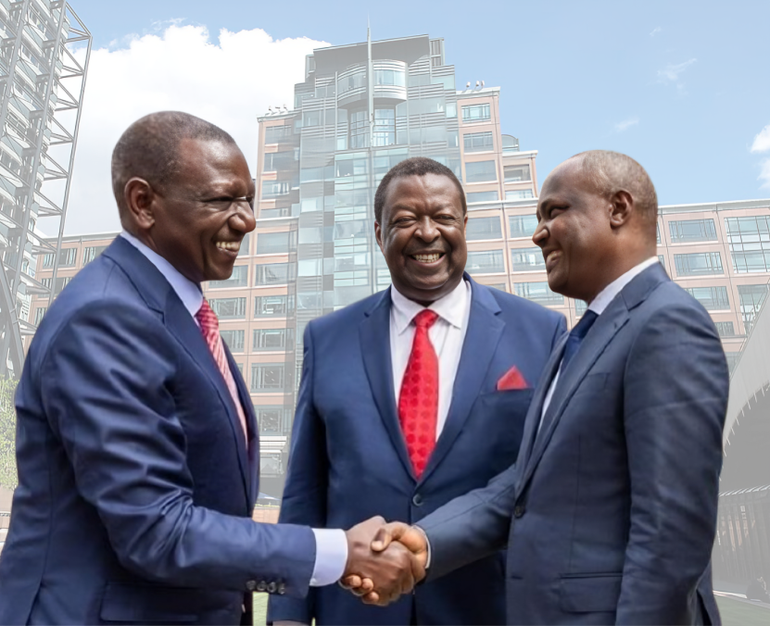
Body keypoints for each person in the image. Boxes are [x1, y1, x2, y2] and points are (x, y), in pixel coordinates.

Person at [0, 112, 421, 625]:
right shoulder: (107, 317)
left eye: (248, 199)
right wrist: (338, 552)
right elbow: (155, 529)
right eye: (222, 200)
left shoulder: (177, 311)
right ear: (143, 203)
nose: (247, 220)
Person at [362, 150, 729, 625]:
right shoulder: (580, 339)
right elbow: (526, 486)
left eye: (554, 211)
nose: (538, 234)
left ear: (618, 209)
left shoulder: (668, 323)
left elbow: (671, 532)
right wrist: (426, 542)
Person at [268, 157, 566, 625]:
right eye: (406, 219)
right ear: (378, 233)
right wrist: (286, 614)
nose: (427, 233)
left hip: (488, 609)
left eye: (443, 217)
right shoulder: (327, 339)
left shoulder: (542, 332)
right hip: (355, 612)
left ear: (464, 225)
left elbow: (544, 480)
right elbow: (305, 490)